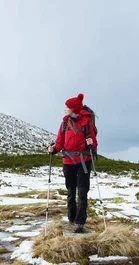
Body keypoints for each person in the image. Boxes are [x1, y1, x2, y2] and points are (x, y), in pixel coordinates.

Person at [48, 93, 98, 234]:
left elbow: (94, 144)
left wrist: (91, 144)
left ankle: (80, 222)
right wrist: (53, 149)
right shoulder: (64, 124)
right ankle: (71, 219)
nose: (65, 109)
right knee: (71, 192)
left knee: (82, 192)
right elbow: (59, 143)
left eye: (67, 107)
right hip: (68, 162)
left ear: (74, 109)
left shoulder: (87, 123)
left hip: (84, 162)